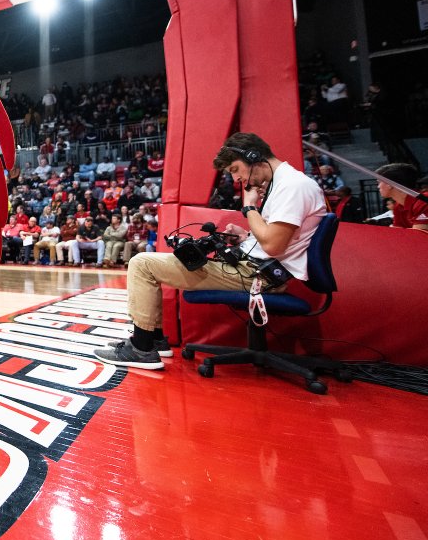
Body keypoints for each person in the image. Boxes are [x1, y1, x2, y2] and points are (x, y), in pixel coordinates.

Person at [95, 132, 328, 370]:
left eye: (236, 169)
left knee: (142, 263)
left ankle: (141, 349)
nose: (236, 178)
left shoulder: (292, 186)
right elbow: (276, 240)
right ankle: (153, 341)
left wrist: (249, 207)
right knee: (153, 261)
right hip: (254, 268)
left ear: (254, 157)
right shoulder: (285, 184)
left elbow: (273, 246)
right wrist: (245, 237)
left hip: (258, 276)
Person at [375, 163, 428, 232]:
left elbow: (418, 236)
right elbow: (398, 233)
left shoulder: (423, 202)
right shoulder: (398, 206)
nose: (378, 186)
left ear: (389, 184)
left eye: (379, 182)